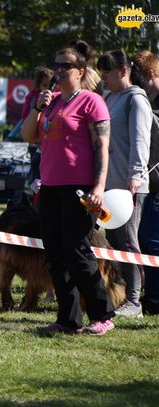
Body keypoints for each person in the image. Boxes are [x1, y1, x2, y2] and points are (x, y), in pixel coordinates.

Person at [22, 45, 116, 335]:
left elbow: (102, 147)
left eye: (65, 66)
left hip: (79, 188)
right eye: (56, 65)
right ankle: (68, 319)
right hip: (50, 188)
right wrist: (38, 107)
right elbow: (28, 135)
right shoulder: (50, 103)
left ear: (81, 71)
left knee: (77, 253)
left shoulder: (91, 102)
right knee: (56, 255)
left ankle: (103, 314)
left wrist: (98, 186)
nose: (58, 70)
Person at [97, 49, 152, 319]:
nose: (104, 78)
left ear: (123, 71)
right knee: (114, 240)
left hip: (130, 186)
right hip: (110, 186)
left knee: (129, 241)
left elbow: (141, 141)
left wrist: (135, 176)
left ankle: (135, 301)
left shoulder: (136, 101)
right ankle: (122, 295)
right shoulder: (110, 98)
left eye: (107, 73)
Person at [131, 50, 159, 315]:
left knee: (151, 240)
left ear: (150, 74)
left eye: (139, 79)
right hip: (152, 185)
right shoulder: (148, 101)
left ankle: (154, 298)